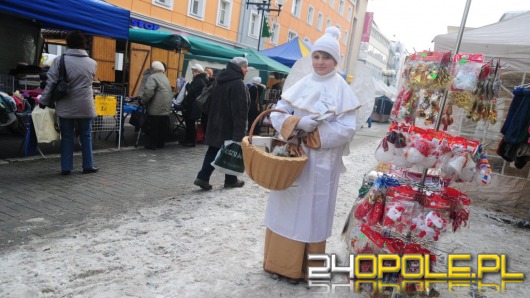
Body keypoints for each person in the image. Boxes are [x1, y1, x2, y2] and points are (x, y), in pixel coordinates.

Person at [262, 27, 360, 283]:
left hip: (320, 167)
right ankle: (278, 263)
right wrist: (295, 123)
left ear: (335, 61)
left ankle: (305, 269)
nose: (320, 62)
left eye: (326, 57)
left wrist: (314, 133)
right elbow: (277, 111)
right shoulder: (302, 84)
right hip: (291, 162)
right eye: (316, 56)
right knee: (285, 208)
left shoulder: (342, 90)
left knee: (310, 215)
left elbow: (346, 129)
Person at [39, 30, 99, 175]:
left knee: (66, 136)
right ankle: (88, 166)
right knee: (86, 135)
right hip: (85, 104)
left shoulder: (60, 60)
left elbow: (51, 82)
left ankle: (66, 168)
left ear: (68, 43)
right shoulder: (92, 63)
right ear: (83, 44)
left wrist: (44, 100)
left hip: (65, 103)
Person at [193, 57, 250, 190]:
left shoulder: (219, 79)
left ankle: (204, 177)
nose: (247, 70)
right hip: (229, 125)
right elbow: (240, 111)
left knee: (214, 149)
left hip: (215, 122)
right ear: (238, 68)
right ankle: (226, 180)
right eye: (245, 67)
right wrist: (240, 133)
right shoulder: (238, 83)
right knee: (231, 150)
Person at [140, 61, 173, 150]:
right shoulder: (165, 78)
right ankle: (161, 143)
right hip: (166, 107)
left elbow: (148, 92)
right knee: (162, 126)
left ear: (153, 68)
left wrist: (143, 101)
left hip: (156, 107)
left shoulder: (153, 77)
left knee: (154, 127)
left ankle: (152, 144)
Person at [181, 63, 208, 147]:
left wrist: (187, 84)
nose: (192, 73)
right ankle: (188, 140)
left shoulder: (198, 80)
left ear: (196, 71)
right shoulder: (204, 79)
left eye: (193, 71)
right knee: (190, 123)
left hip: (193, 105)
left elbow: (191, 91)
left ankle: (191, 141)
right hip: (197, 105)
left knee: (190, 123)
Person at [201, 67, 216, 135]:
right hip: (206, 106)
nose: (209, 75)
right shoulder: (205, 81)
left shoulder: (212, 82)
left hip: (208, 107)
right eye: (208, 73)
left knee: (205, 122)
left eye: (211, 73)